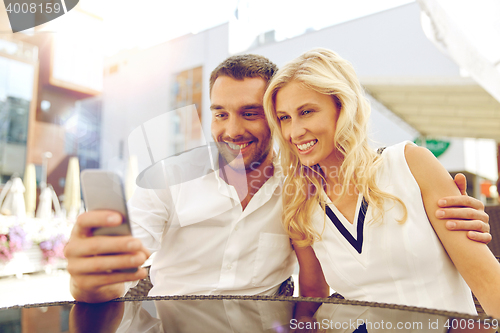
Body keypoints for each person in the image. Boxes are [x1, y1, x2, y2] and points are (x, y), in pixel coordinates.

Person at [64, 54, 491, 303]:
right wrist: (90, 275)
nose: (232, 130)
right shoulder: (168, 179)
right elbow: (121, 264)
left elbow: (314, 289)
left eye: (251, 113)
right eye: (219, 113)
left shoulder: (300, 188)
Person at [263, 48, 500, 316]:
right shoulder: (303, 206)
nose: (294, 131)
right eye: (284, 118)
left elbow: (489, 282)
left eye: (306, 112)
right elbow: (313, 302)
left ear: (342, 107)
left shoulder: (410, 163)